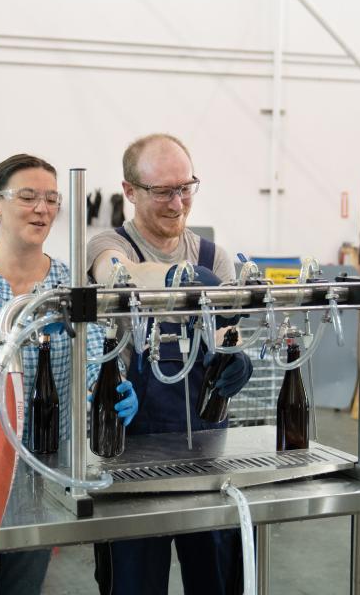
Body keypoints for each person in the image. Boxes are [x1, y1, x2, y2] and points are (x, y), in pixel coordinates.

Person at [0, 153, 139, 595]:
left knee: (23, 584)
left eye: (51, 199)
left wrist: (114, 386)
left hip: (40, 466)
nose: (41, 209)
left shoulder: (68, 283)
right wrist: (26, 325)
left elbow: (95, 362)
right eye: (27, 197)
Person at [87, 133, 254, 595]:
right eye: (162, 191)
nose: (177, 202)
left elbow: (226, 335)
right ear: (129, 191)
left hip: (206, 449)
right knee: (134, 584)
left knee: (217, 580)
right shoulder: (107, 244)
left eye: (186, 187)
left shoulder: (212, 256)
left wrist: (234, 359)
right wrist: (187, 283)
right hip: (129, 455)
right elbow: (117, 278)